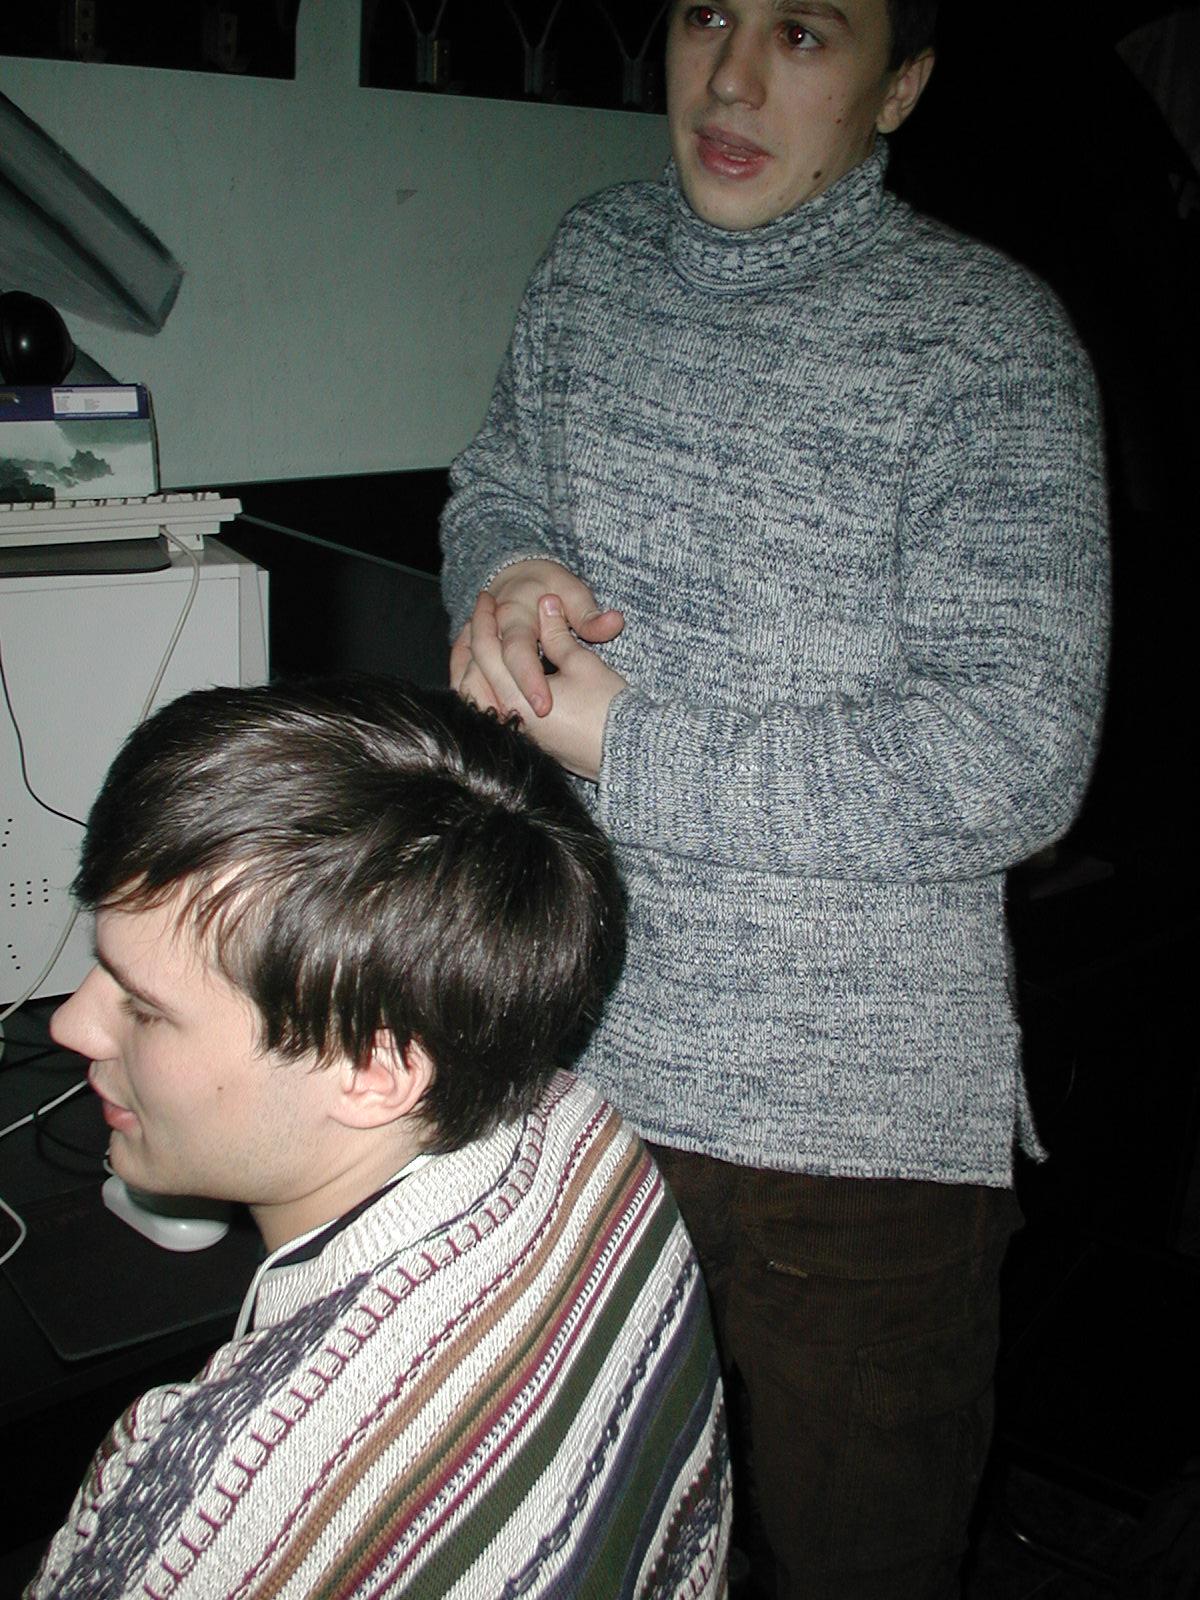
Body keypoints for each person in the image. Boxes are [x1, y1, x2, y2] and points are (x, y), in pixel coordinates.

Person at [439, 2, 1110, 1596]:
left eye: (804, 33)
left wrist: (631, 746)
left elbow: (1016, 754)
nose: (731, 79)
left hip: (855, 1145)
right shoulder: (594, 260)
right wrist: (506, 566)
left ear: (903, 84)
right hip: (565, 1068)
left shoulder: (987, 340)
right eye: (707, 16)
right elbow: (497, 481)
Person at [27, 676, 731, 1600]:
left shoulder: (208, 1527)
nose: (71, 1025)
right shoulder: (584, 1135)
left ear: (373, 1071)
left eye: (145, 1008)